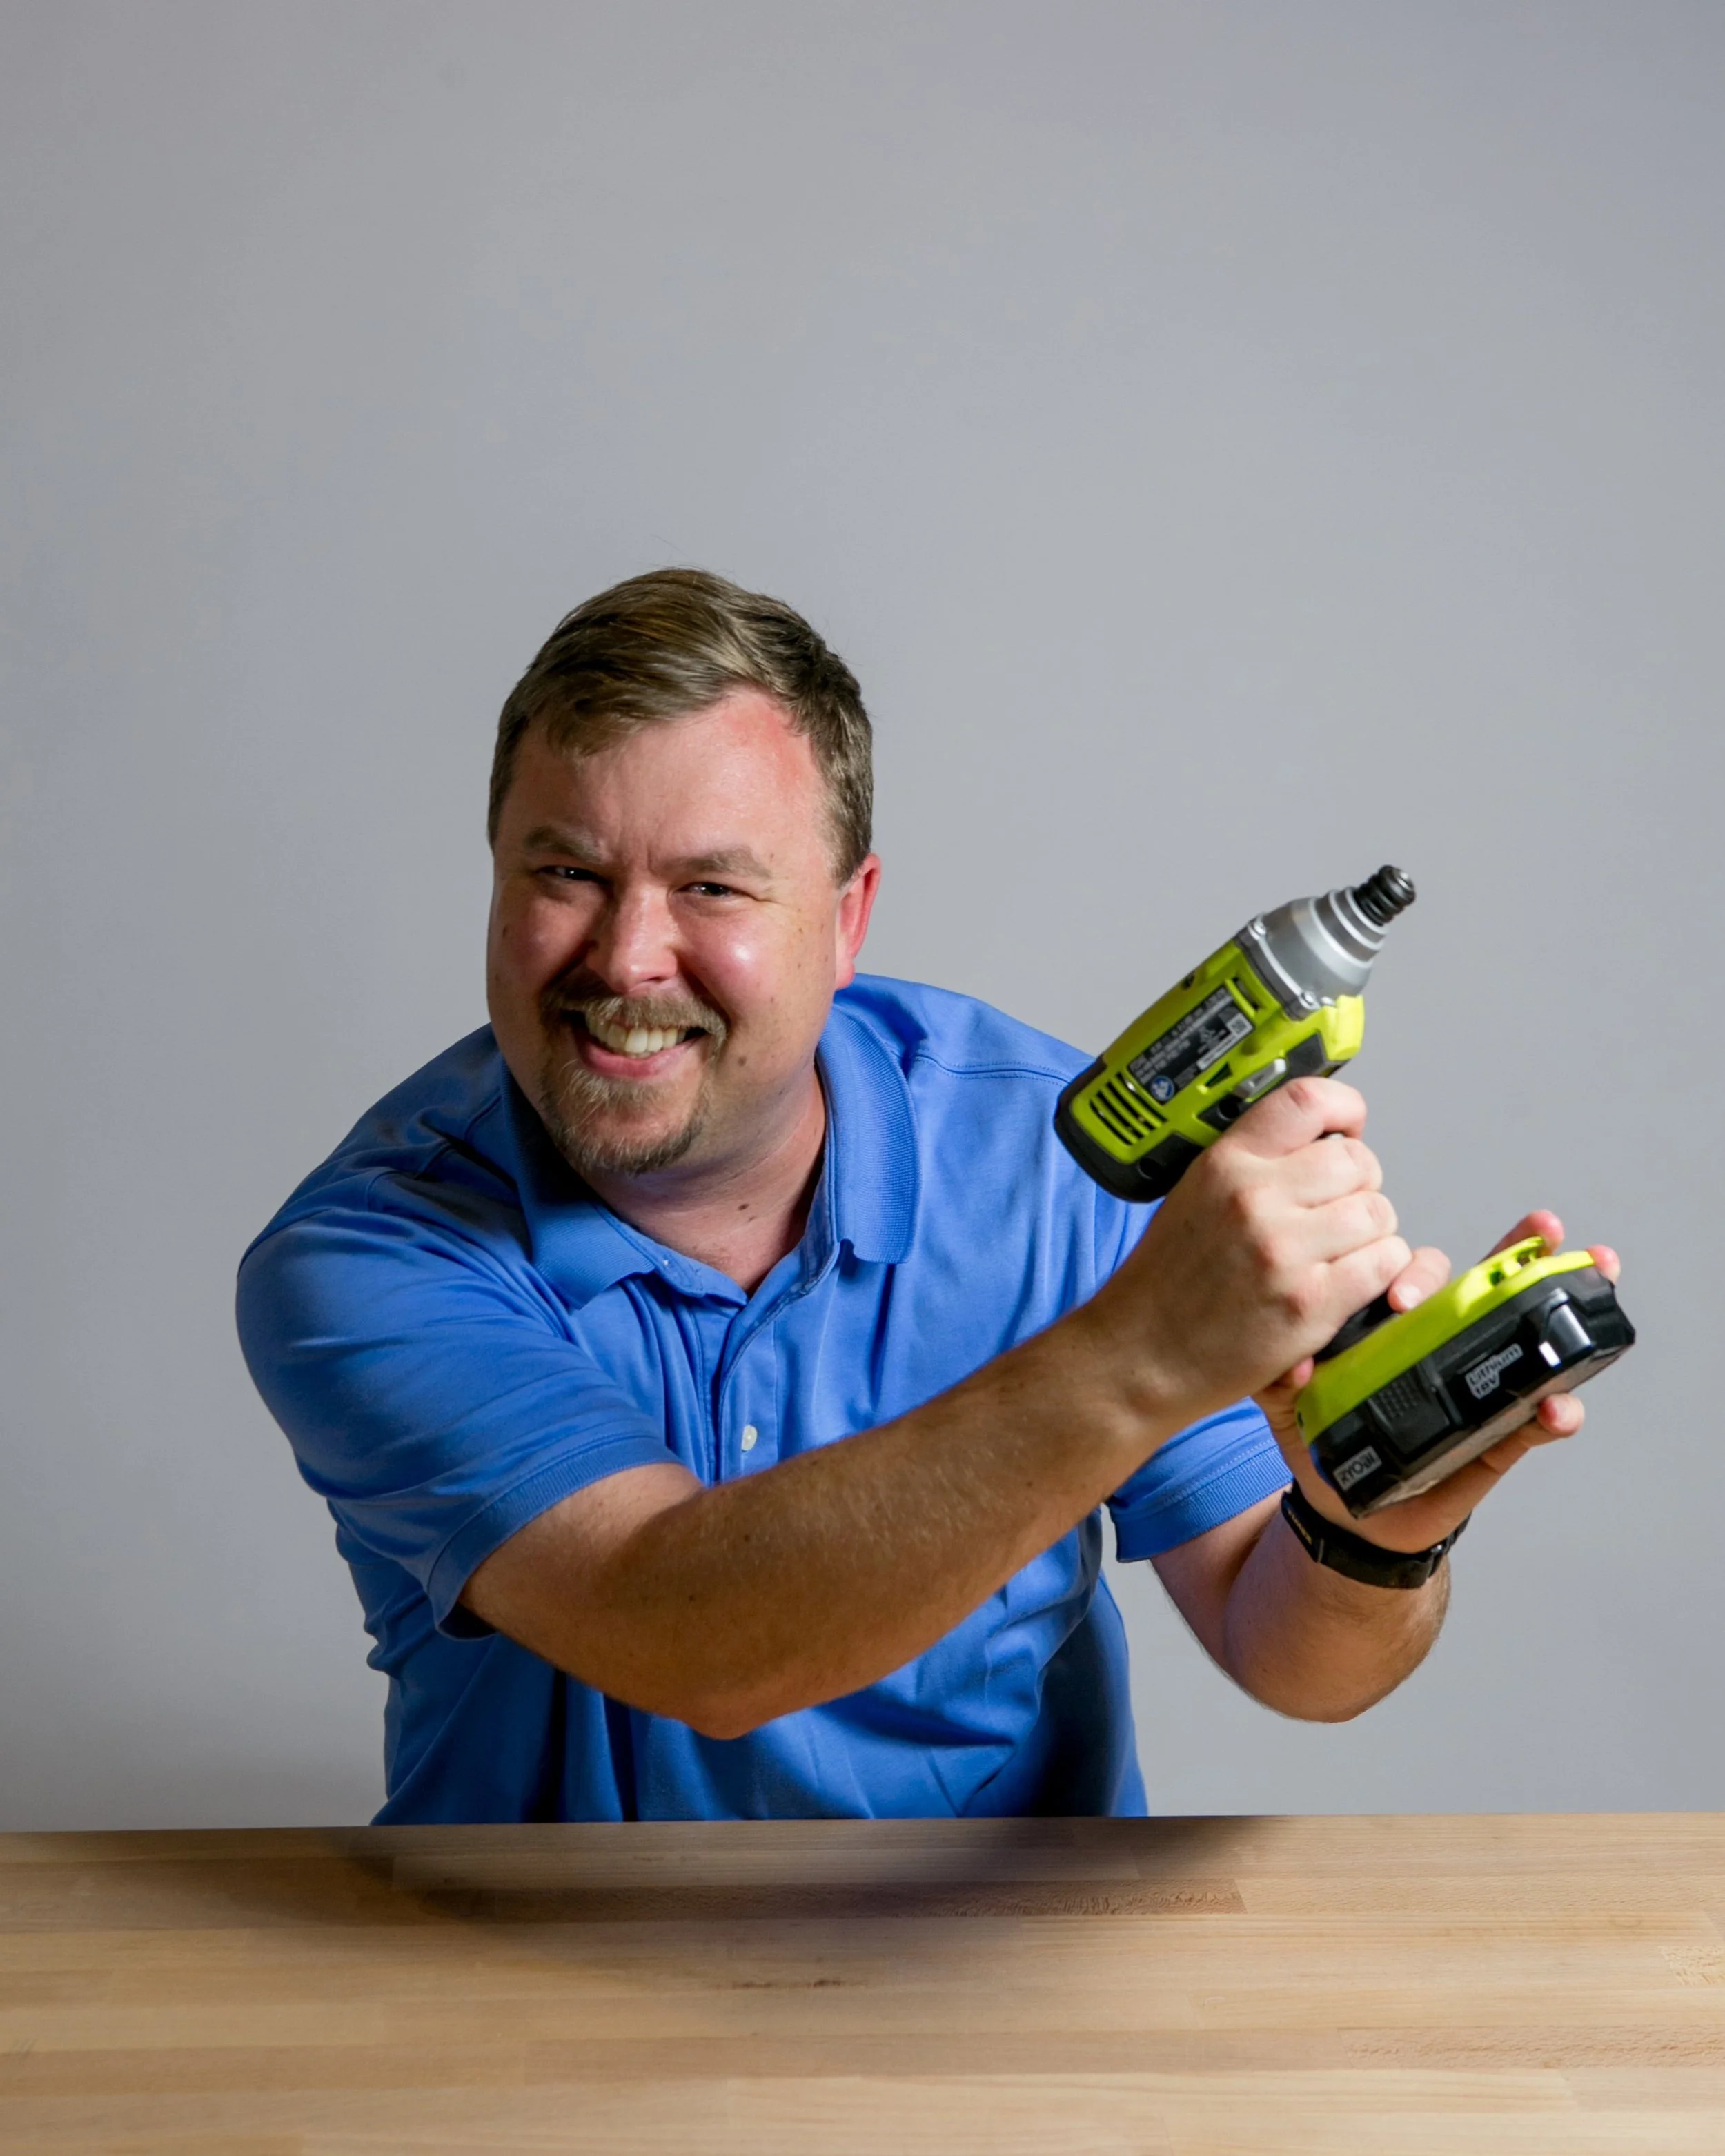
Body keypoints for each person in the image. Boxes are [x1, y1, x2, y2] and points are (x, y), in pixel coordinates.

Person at [237, 568, 1617, 1823]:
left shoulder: (1065, 1152)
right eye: (566, 873)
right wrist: (1143, 1349)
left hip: (995, 1967)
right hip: (537, 1976)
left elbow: (1294, 1658)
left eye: (710, 885)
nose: (627, 956)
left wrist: (1372, 1530)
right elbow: (685, 1635)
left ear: (846, 919)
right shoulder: (369, 1255)